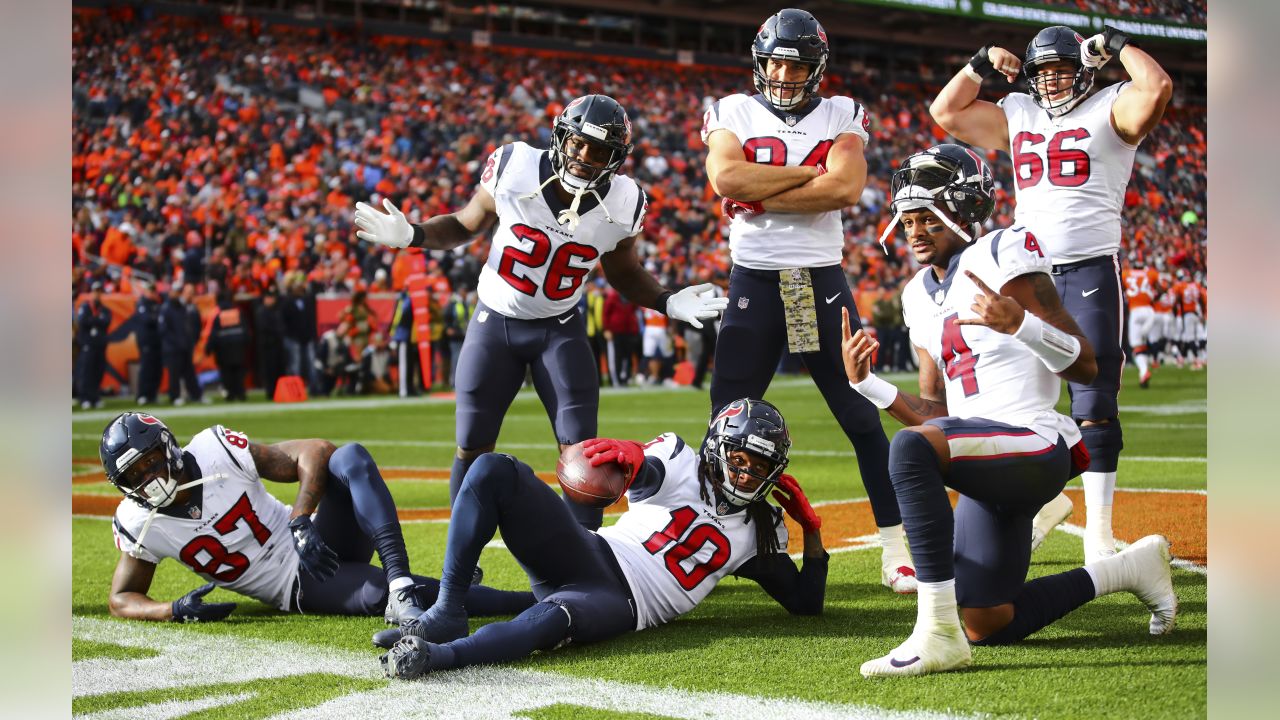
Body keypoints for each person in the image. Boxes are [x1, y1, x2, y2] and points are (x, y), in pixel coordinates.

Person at [846, 145, 1176, 677]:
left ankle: (935, 633)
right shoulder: (915, 294)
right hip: (989, 457)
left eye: (927, 216)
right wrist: (869, 387)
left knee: (909, 451)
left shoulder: (1003, 250)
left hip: (1035, 440)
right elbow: (937, 412)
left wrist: (1021, 324)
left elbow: (1086, 366)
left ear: (964, 210)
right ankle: (1129, 568)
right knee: (987, 619)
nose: (913, 230)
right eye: (906, 219)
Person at [354, 94, 727, 530]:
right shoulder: (516, 167)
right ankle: (463, 555)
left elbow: (623, 272)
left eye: (601, 150)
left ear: (618, 158)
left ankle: (585, 563)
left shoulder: (625, 203)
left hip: (560, 330)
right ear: (560, 137)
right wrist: (414, 234)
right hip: (495, 323)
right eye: (579, 143)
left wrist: (666, 300)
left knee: (584, 454)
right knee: (472, 445)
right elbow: (465, 223)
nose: (586, 157)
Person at [929, 24, 1173, 563]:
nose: (1054, 80)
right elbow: (946, 113)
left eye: (1064, 69)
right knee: (1012, 397)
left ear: (1085, 71)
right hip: (1026, 269)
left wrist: (1115, 45)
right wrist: (979, 63)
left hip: (1087, 266)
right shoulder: (1020, 111)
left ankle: (1100, 534)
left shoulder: (1111, 106)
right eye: (1044, 71)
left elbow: (1155, 87)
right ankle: (1039, 501)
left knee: (1093, 399)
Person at [377, 398, 827, 679]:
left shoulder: (758, 529)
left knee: (550, 620)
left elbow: (805, 603)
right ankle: (448, 607)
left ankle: (442, 655)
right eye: (740, 459)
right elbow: (645, 470)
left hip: (624, 604)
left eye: (761, 468)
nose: (747, 474)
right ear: (717, 448)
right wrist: (632, 458)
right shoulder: (680, 460)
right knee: (496, 470)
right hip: (592, 549)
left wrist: (811, 534)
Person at [701, 8, 913, 591]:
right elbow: (727, 180)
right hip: (756, 282)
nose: (783, 73)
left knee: (861, 416)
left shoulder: (842, 111)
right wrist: (808, 172)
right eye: (773, 61)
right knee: (724, 425)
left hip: (815, 281)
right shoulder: (731, 110)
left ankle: (897, 549)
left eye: (795, 63)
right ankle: (714, 543)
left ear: (815, 68)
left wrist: (763, 192)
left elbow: (844, 187)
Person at [100, 412, 534, 624]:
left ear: (169, 447)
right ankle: (530, 602)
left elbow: (315, 451)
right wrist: (170, 609)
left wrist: (302, 520)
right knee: (378, 595)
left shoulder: (216, 450)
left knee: (350, 457)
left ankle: (401, 582)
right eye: (133, 476)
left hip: (312, 537)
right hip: (294, 585)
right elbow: (121, 598)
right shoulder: (141, 522)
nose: (149, 479)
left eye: (151, 462)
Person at [158, 283, 204, 406]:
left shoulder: (183, 308)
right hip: (173, 347)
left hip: (185, 347)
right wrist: (176, 342)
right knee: (174, 373)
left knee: (190, 373)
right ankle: (174, 396)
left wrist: (188, 342)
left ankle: (196, 395)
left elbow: (189, 328)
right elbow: (163, 330)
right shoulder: (167, 308)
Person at [76, 280, 112, 409]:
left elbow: (106, 322)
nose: (97, 294)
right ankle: (85, 398)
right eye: (96, 291)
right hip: (88, 345)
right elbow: (83, 322)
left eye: (99, 292)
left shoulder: (105, 309)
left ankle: (95, 397)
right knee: (87, 372)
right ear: (91, 293)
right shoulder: (85, 307)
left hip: (100, 345)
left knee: (98, 372)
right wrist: (97, 320)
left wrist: (93, 320)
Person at [207, 290, 249, 402]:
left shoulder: (219, 315)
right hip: (239, 349)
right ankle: (241, 394)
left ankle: (230, 395)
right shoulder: (237, 313)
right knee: (239, 373)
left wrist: (208, 349)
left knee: (227, 375)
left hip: (224, 351)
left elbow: (214, 335)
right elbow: (246, 331)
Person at [133, 281, 163, 405]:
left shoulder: (156, 304)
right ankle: (142, 394)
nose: (152, 293)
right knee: (146, 368)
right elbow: (147, 319)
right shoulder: (142, 303)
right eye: (150, 291)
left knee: (156, 369)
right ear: (145, 292)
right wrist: (157, 318)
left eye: (153, 291)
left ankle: (152, 394)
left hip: (156, 341)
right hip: (146, 341)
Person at [254, 287, 287, 401]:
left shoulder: (277, 311)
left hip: (277, 345)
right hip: (267, 346)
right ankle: (270, 392)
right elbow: (264, 328)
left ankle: (279, 391)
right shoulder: (261, 311)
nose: (271, 300)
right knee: (269, 370)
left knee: (279, 369)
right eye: (269, 298)